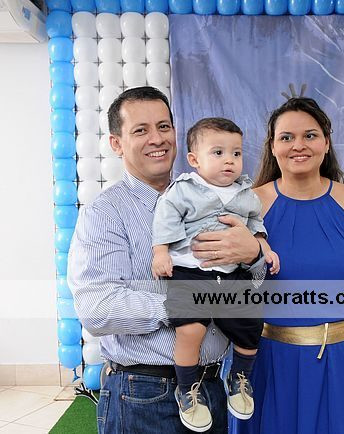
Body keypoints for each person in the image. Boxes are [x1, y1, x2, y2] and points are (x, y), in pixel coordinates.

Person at [68, 86, 264, 434]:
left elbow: (253, 286)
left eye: (164, 127)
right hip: (143, 394)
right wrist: (189, 304)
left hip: (211, 387)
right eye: (140, 130)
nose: (157, 139)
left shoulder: (223, 201)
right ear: (116, 143)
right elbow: (96, 308)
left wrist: (255, 255)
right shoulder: (105, 213)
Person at [231, 97, 344, 434]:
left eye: (310, 135)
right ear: (272, 146)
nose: (298, 145)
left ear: (326, 142)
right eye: (286, 137)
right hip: (270, 365)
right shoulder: (248, 205)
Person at [151, 117, 280, 431]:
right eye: (218, 153)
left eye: (236, 153)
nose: (229, 161)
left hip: (232, 274)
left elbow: (255, 224)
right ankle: (186, 390)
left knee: (251, 325)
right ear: (194, 160)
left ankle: (239, 378)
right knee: (191, 330)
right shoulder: (184, 189)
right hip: (190, 271)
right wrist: (161, 252)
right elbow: (165, 218)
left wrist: (263, 246)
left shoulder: (245, 194)